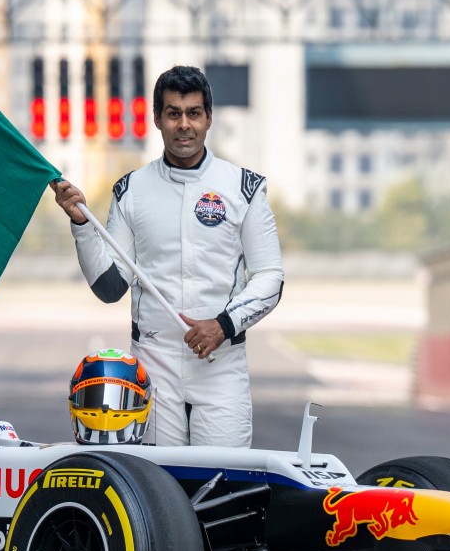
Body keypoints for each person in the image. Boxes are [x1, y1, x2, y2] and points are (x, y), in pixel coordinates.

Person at [50, 65, 283, 448]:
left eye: (193, 113)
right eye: (173, 113)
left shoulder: (244, 188)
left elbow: (271, 278)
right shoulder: (131, 190)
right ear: (157, 119)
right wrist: (81, 225)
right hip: (153, 368)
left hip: (221, 368)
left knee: (223, 487)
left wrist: (223, 325)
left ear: (209, 118)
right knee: (157, 489)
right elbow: (109, 287)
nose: (184, 125)